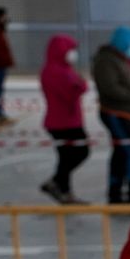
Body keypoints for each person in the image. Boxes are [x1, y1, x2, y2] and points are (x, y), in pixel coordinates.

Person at [93, 26, 130, 204]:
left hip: (126, 113)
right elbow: (110, 87)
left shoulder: (120, 59)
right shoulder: (106, 61)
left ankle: (116, 193)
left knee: (122, 153)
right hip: (116, 112)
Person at [40, 34, 89, 204]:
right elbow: (71, 92)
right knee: (80, 152)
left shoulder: (64, 69)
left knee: (66, 157)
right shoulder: (54, 71)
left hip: (68, 119)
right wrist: (82, 85)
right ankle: (57, 182)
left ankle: (64, 191)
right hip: (63, 122)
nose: (73, 53)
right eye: (71, 50)